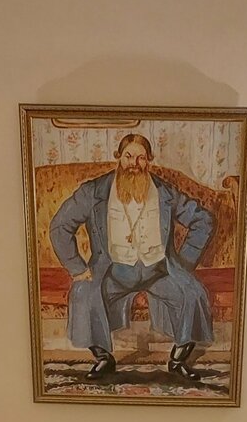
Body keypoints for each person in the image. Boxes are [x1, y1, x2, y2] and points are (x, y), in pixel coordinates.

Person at [49, 133, 214, 380]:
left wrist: (184, 263)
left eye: (141, 158)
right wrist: (77, 268)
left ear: (149, 160)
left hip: (158, 271)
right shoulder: (94, 191)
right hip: (113, 272)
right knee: (83, 293)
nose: (134, 164)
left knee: (193, 294)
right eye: (128, 156)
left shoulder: (165, 192)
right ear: (118, 157)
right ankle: (104, 358)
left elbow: (203, 220)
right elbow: (60, 226)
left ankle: (178, 359)